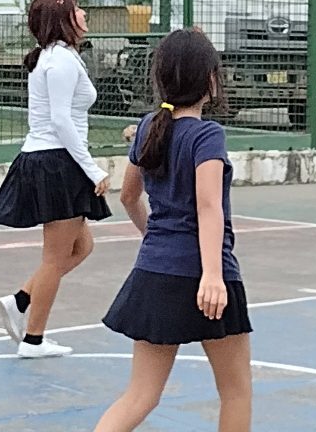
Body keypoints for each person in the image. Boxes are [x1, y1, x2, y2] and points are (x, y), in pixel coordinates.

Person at [95, 29, 252, 432]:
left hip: (156, 272)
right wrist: (213, 274)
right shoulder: (207, 135)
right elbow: (208, 205)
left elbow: (129, 197)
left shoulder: (148, 127)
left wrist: (155, 238)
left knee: (140, 395)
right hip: (206, 274)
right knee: (235, 392)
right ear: (211, 81)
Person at [0, 0, 111, 358]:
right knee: (55, 259)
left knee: (82, 246)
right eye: (77, 9)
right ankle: (34, 339)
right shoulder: (59, 61)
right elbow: (60, 120)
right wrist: (91, 168)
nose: (84, 13)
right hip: (56, 163)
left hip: (55, 161)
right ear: (64, 19)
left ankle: (21, 300)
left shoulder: (63, 57)